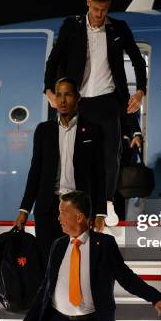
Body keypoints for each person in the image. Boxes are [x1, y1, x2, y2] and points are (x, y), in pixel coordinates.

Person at [17, 191, 161, 321]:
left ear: (79, 217)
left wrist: (155, 298)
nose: (58, 217)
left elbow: (126, 278)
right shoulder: (58, 245)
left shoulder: (105, 244)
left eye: (63, 212)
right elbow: (46, 287)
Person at [43, 0, 147, 227]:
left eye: (105, 10)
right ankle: (73, 203)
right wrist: (49, 89)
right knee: (73, 154)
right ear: (88, 2)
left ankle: (107, 203)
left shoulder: (118, 28)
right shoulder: (72, 27)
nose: (100, 14)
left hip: (108, 100)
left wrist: (141, 90)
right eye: (97, 9)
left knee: (110, 154)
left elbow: (136, 60)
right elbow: (54, 59)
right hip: (78, 101)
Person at [14, 77, 107, 262]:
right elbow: (35, 172)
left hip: (78, 207)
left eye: (68, 95)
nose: (63, 100)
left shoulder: (94, 130)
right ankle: (48, 292)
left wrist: (99, 212)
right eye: (59, 95)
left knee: (77, 262)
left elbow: (99, 174)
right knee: (47, 262)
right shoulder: (43, 130)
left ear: (78, 97)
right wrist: (24, 209)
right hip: (47, 208)